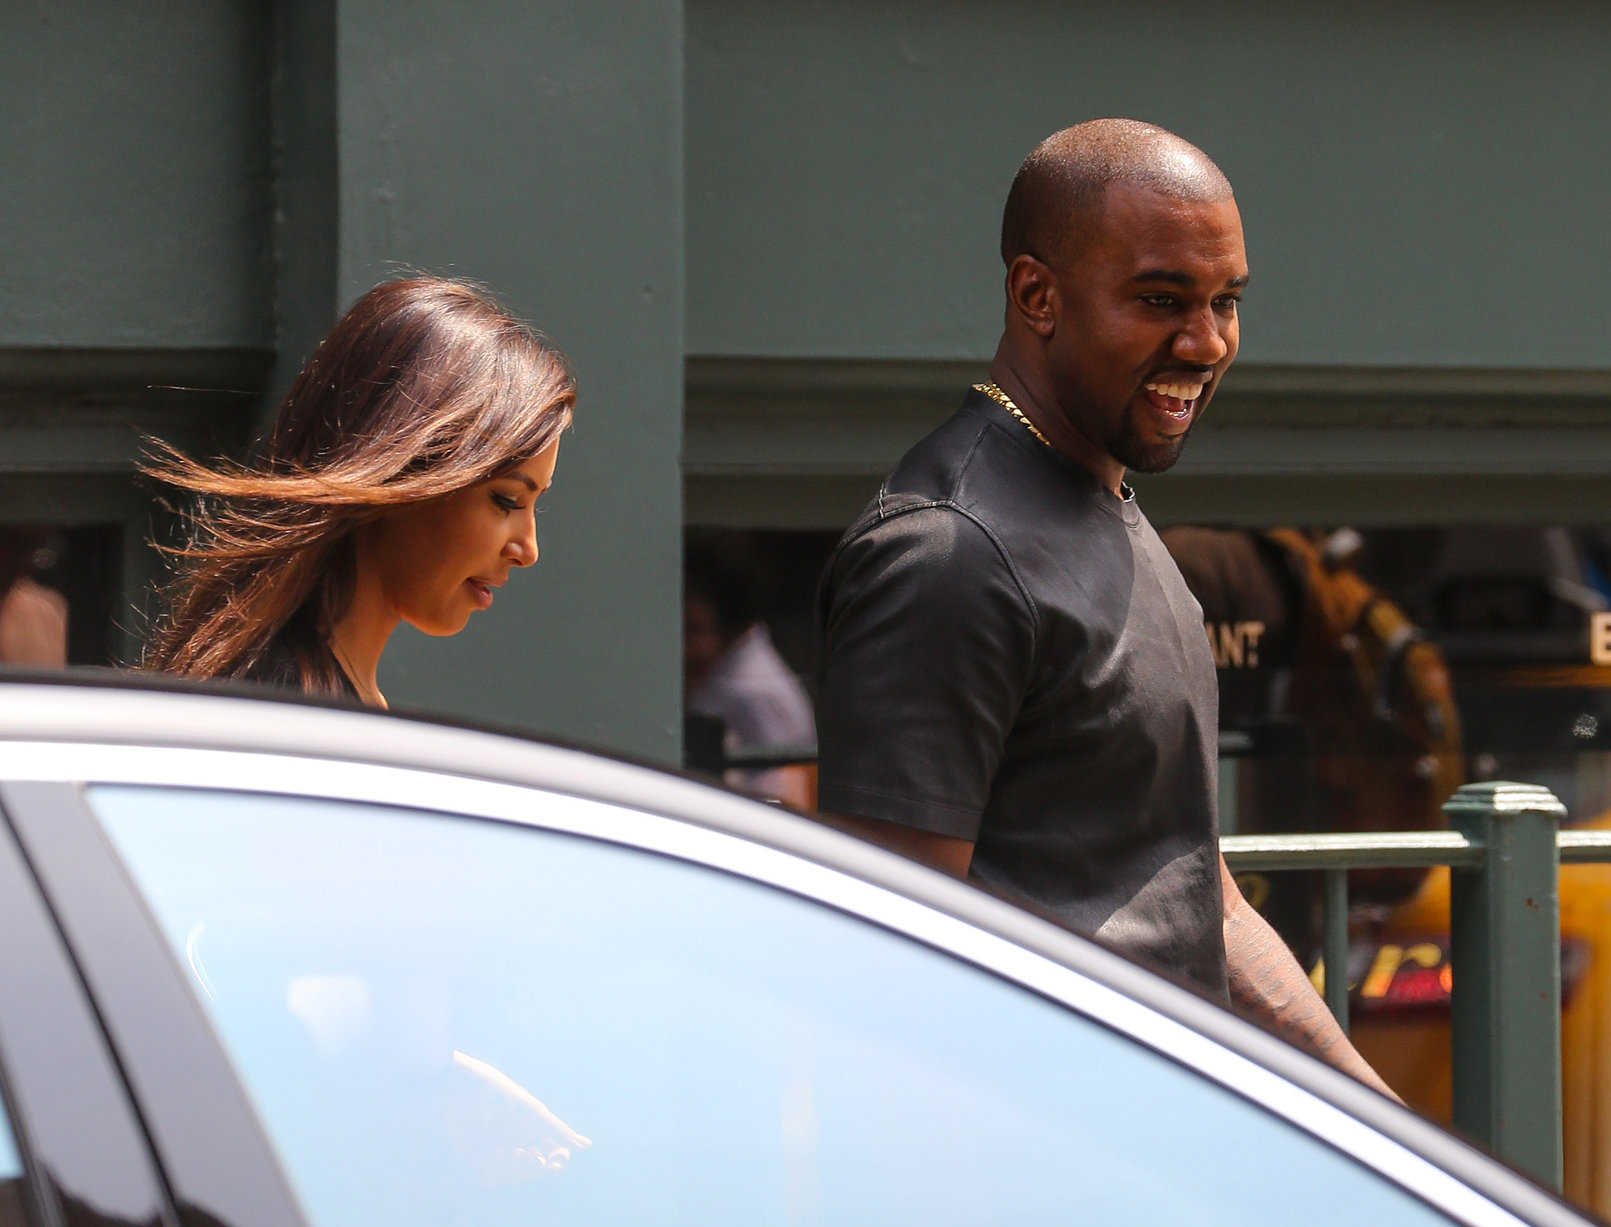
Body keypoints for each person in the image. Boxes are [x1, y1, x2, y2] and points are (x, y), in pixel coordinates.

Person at [815, 119, 1396, 1096]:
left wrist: (1377, 1122)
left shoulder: (1102, 506)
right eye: (1162, 300)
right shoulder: (946, 552)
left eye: (1226, 302)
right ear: (1037, 296)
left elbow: (1190, 891)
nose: (1206, 341)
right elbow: (890, 967)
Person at [143, 277, 574, 707]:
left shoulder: (314, 699)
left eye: (535, 505)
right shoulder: (288, 714)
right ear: (400, 471)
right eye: (507, 500)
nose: (528, 549)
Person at [684, 533, 816, 805]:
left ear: (729, 628)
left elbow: (783, 796)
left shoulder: (754, 692)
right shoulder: (726, 671)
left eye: (693, 629)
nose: (684, 646)